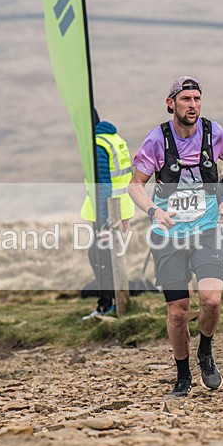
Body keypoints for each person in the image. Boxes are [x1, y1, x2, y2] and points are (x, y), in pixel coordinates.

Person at [128, 76, 223, 397]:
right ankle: (183, 375)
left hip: (205, 230)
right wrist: (153, 211)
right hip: (170, 236)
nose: (193, 105)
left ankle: (205, 350)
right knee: (177, 312)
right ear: (171, 104)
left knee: (212, 300)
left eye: (197, 99)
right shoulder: (156, 140)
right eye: (186, 99)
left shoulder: (213, 132)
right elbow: (135, 185)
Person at [80, 110, 135, 319]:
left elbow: (103, 184)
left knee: (101, 258)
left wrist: (104, 224)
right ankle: (110, 305)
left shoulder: (97, 144)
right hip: (118, 210)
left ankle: (108, 307)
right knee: (104, 258)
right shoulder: (114, 139)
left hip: (108, 213)